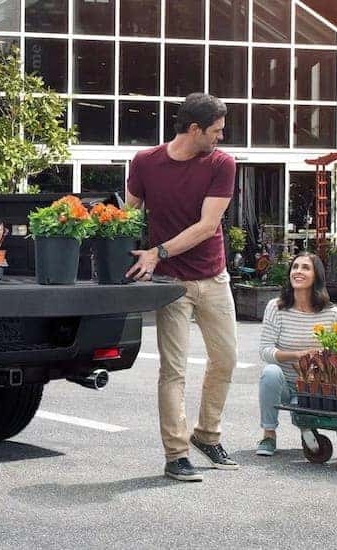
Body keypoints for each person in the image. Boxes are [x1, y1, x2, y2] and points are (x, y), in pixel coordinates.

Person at [125, 93, 239, 482]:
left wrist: (157, 250)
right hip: (170, 284)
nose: (221, 138)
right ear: (194, 129)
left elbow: (209, 226)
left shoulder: (222, 164)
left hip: (213, 276)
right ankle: (176, 454)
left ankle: (207, 433)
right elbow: (128, 213)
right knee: (173, 371)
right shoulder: (145, 163)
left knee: (225, 360)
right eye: (216, 131)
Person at [255, 253, 337, 456]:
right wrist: (298, 355)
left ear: (316, 276)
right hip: (284, 383)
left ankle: (309, 427)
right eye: (295, 267)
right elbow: (265, 351)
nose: (298, 271)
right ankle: (269, 435)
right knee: (270, 372)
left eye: (305, 268)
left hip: (312, 386)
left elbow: (336, 354)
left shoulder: (331, 313)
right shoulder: (276, 307)